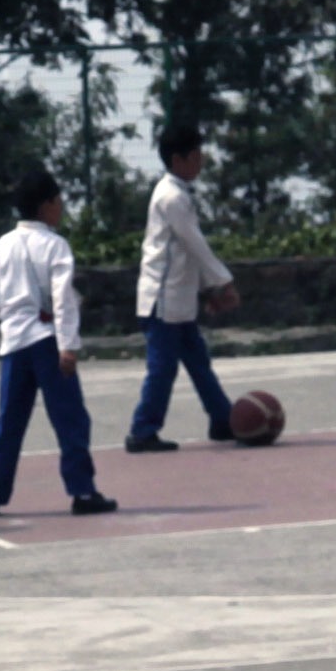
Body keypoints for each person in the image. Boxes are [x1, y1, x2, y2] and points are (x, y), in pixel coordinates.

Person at [0, 168, 116, 519]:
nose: (61, 207)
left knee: (9, 421)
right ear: (45, 206)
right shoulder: (56, 245)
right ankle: (82, 491)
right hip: (47, 341)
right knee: (70, 419)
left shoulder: (3, 244)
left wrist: (14, 316)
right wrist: (68, 345)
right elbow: (63, 299)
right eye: (57, 201)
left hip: (13, 342)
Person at [127, 121, 241, 451]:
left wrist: (209, 289)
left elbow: (189, 255)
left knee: (197, 361)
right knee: (162, 370)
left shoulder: (178, 195)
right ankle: (142, 430)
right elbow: (196, 245)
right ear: (179, 160)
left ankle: (222, 419)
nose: (201, 161)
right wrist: (224, 282)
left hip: (178, 301)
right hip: (162, 303)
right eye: (196, 155)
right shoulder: (171, 197)